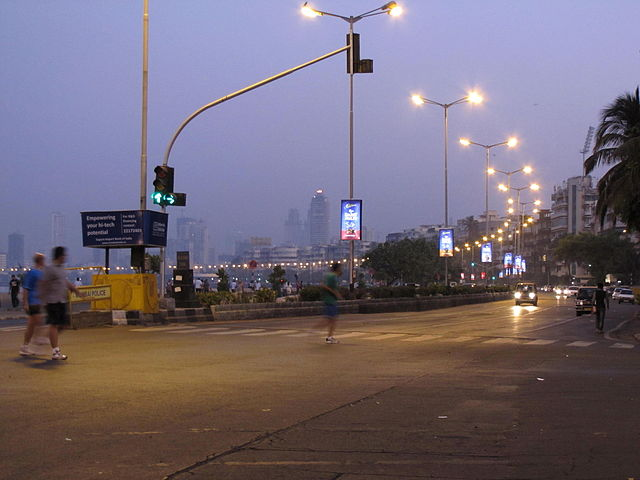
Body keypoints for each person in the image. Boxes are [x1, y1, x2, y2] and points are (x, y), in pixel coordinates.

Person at [39, 246, 83, 360]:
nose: (66, 257)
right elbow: (43, 284)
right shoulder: (50, 269)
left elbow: (64, 281)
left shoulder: (61, 268)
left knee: (64, 325)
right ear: (59, 256)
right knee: (54, 325)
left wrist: (76, 290)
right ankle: (55, 352)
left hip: (62, 301)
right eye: (64, 255)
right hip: (52, 301)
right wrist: (43, 300)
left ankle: (47, 336)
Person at [19, 253, 46, 356]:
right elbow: (26, 288)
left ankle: (25, 347)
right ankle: (38, 342)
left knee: (31, 325)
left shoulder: (40, 272)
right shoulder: (33, 273)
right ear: (40, 261)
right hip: (32, 302)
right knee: (39, 322)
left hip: (37, 301)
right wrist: (25, 302)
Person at [316, 263, 343, 344]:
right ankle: (327, 336)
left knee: (331, 319)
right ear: (337, 268)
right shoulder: (333, 277)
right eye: (340, 268)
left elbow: (325, 285)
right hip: (330, 300)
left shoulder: (329, 275)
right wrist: (336, 294)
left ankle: (329, 336)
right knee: (332, 319)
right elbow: (326, 286)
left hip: (329, 300)